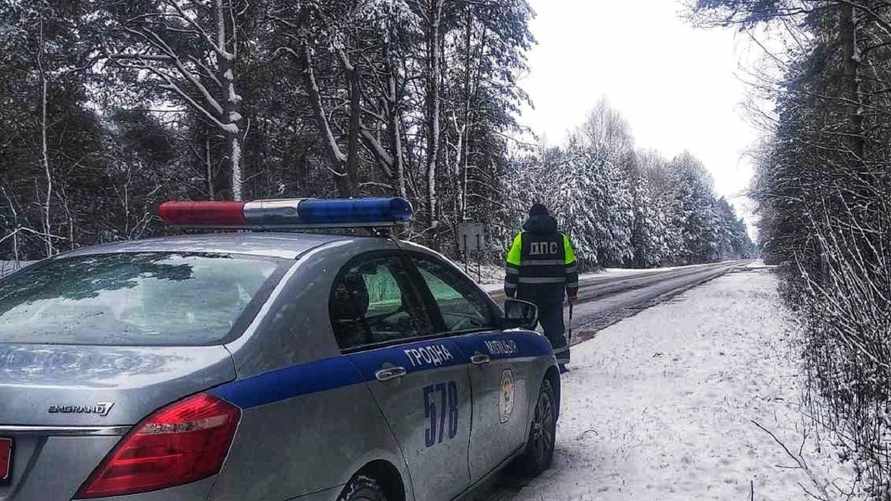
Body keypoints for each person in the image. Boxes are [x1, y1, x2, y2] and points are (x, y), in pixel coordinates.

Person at [504, 203, 578, 372]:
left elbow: (512, 268)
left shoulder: (521, 239)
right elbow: (571, 268)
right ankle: (560, 363)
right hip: (553, 294)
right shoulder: (561, 239)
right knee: (554, 329)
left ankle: (524, 364)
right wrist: (572, 292)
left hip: (527, 294)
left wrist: (510, 291)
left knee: (525, 330)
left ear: (530, 218)